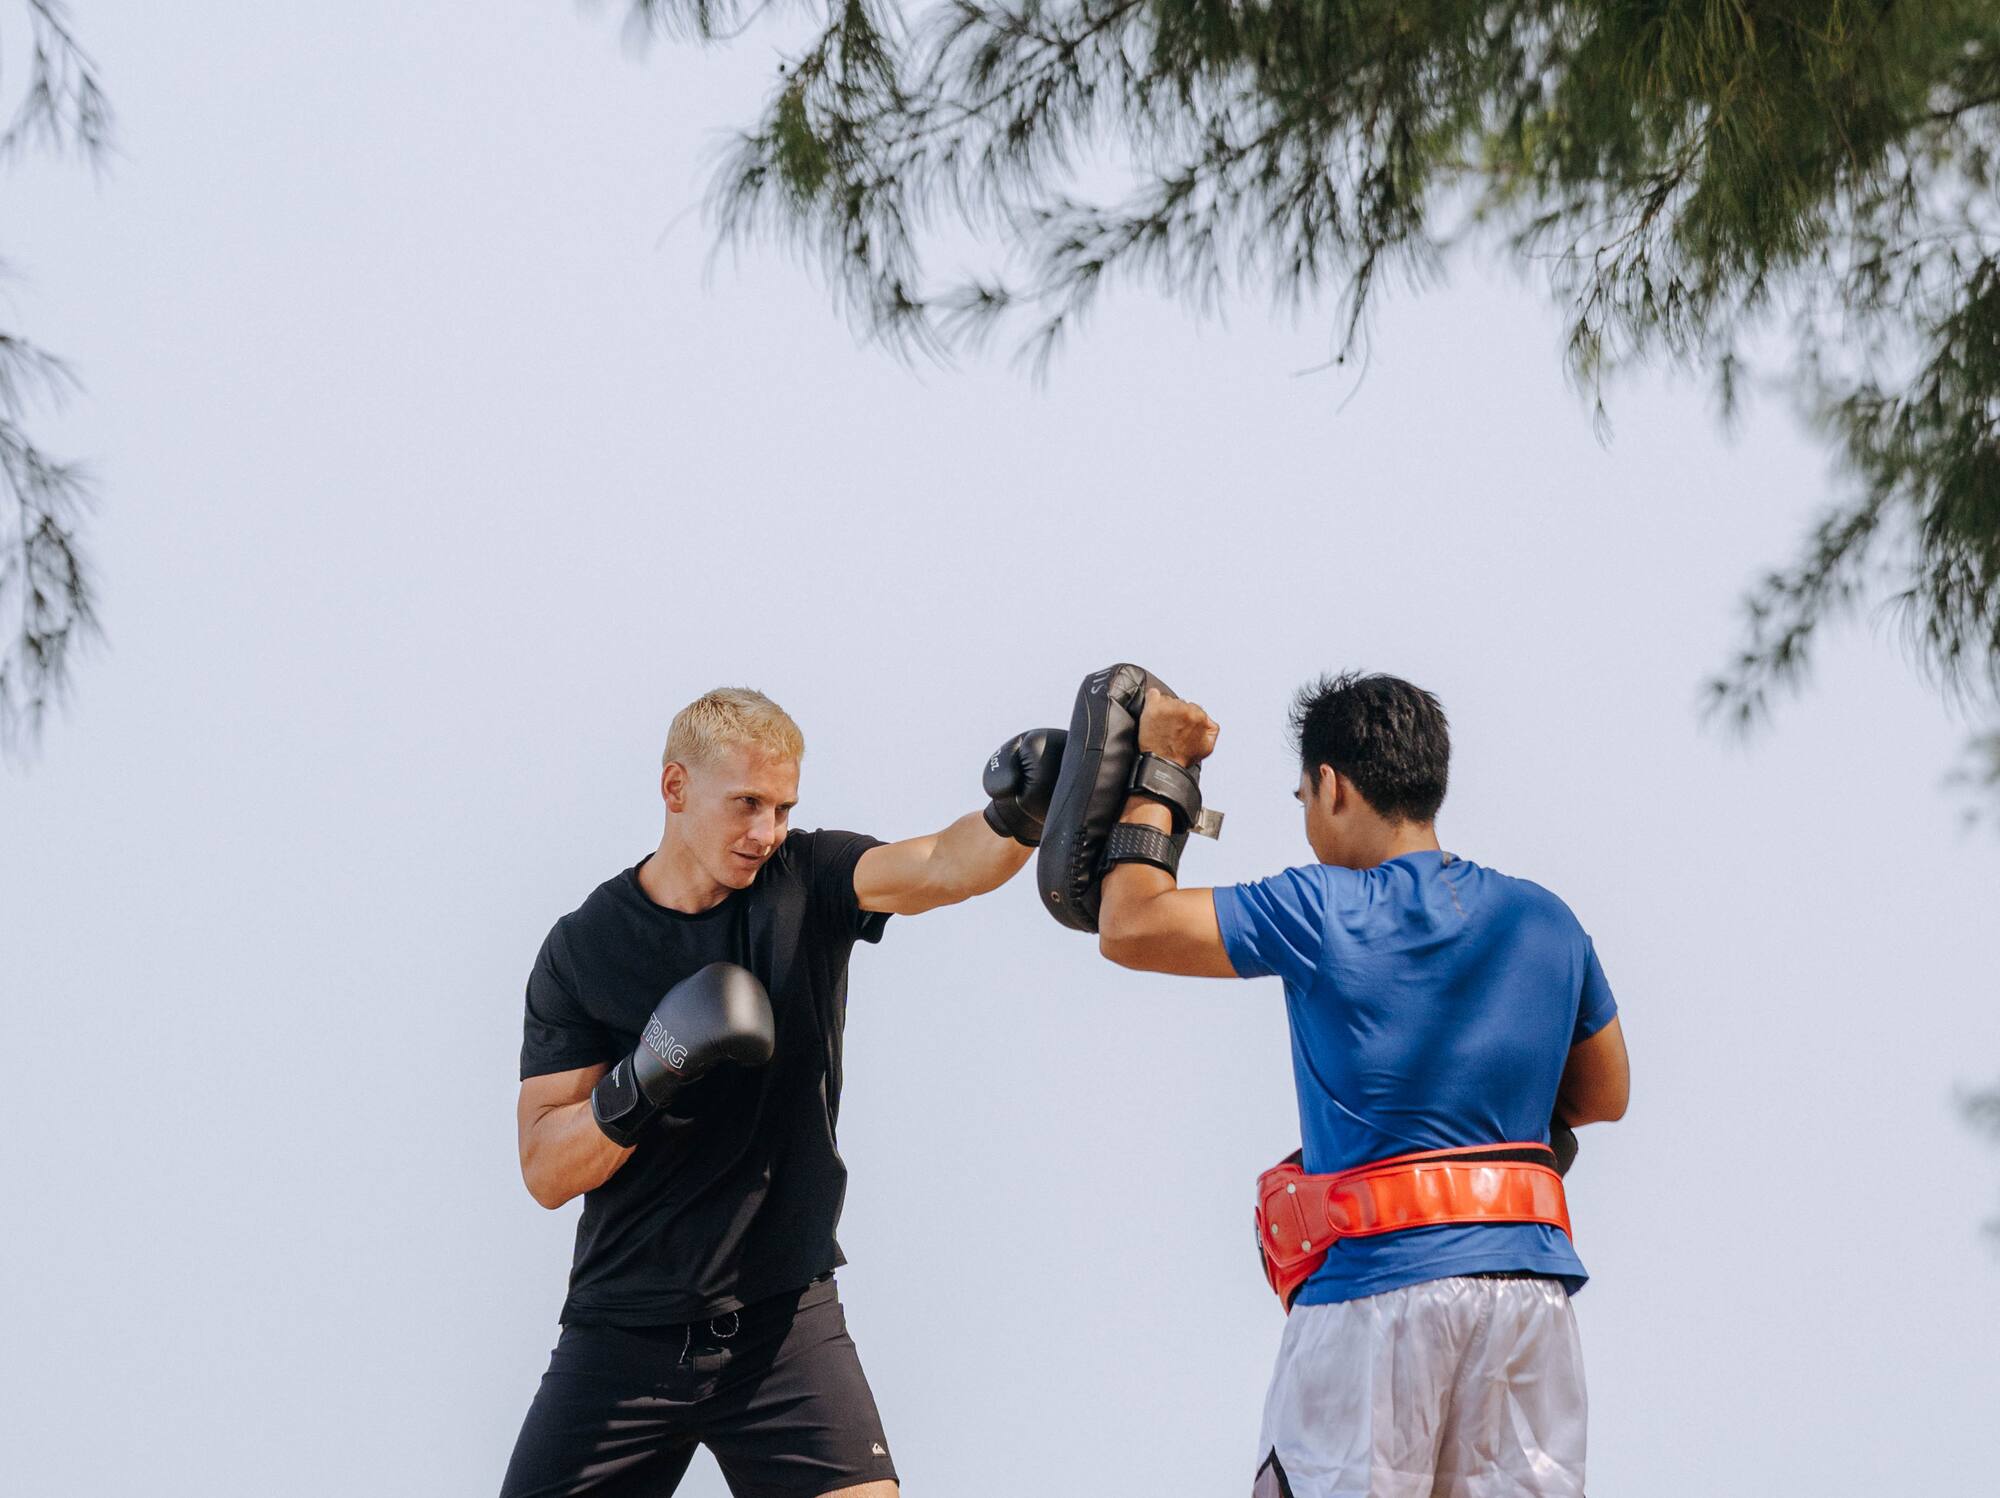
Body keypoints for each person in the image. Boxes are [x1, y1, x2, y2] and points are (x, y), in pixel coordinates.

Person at [501, 687, 1062, 1498]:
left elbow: (944, 864)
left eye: (782, 807)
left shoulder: (806, 879)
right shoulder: (586, 947)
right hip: (623, 1332)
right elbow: (544, 1170)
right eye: (747, 804)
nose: (766, 832)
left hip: (781, 1323)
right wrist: (645, 1073)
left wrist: (1024, 814)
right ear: (675, 789)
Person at [1093, 673, 1629, 1498]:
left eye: (1303, 793)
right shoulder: (1545, 918)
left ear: (1333, 788)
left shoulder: (1320, 906)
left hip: (1376, 1299)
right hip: (1529, 1306)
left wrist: (1164, 767)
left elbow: (1130, 923)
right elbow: (1604, 1097)